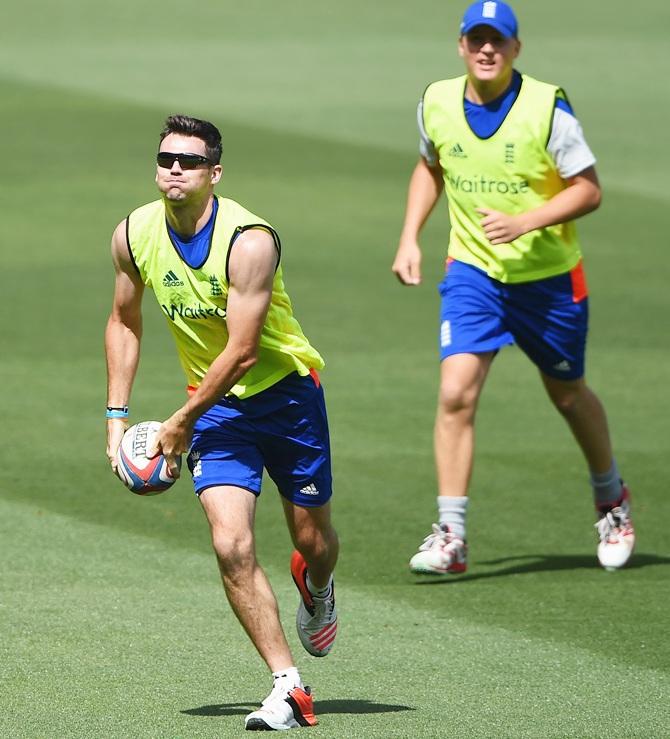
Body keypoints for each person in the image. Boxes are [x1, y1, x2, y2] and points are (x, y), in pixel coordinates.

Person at [105, 114, 339, 731]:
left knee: (314, 541)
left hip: (286, 397)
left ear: (215, 172)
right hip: (216, 413)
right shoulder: (133, 235)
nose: (174, 169)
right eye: (165, 159)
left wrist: (178, 422)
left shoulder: (249, 240)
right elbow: (124, 322)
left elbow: (242, 351)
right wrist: (116, 415)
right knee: (230, 544)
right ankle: (288, 685)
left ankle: (316, 583)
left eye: (188, 160)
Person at [392, 1, 634, 575]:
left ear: (515, 50)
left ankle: (612, 502)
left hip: (548, 278)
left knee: (568, 394)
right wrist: (409, 237)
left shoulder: (547, 108)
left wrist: (525, 221)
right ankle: (451, 537)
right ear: (460, 46)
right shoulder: (436, 102)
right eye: (476, 39)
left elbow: (589, 189)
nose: (486, 49)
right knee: (455, 393)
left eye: (497, 41)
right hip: (473, 273)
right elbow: (430, 166)